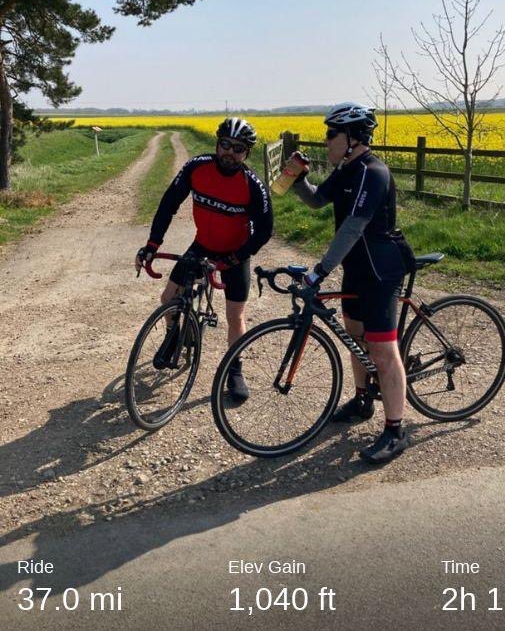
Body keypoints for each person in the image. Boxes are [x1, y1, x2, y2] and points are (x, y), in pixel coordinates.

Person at [290, 103, 413, 464]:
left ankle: (396, 431)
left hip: (382, 271)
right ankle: (362, 401)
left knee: (383, 352)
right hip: (357, 268)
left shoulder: (373, 173)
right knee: (355, 337)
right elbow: (316, 200)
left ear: (354, 138)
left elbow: (353, 227)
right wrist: (298, 182)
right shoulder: (346, 169)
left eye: (332, 134)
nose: (326, 140)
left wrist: (320, 270)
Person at [135, 118, 273, 402]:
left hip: (235, 254)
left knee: (235, 316)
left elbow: (265, 230)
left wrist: (236, 258)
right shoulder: (196, 167)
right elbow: (169, 203)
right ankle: (173, 336)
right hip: (203, 245)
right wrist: (152, 243)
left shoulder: (252, 185)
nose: (230, 152)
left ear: (247, 153)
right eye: (225, 144)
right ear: (216, 143)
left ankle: (235, 369)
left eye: (239, 148)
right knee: (168, 298)